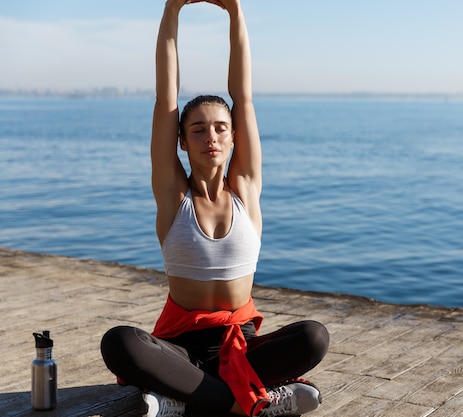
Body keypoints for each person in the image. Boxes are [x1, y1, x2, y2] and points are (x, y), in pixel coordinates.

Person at [100, 1, 330, 416]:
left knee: (313, 337)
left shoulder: (246, 190)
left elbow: (243, 95)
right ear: (182, 141)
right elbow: (164, 97)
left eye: (221, 127)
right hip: (178, 347)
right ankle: (247, 400)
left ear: (233, 137)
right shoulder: (174, 195)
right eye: (198, 129)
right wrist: (172, 10)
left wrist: (236, 12)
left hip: (238, 342)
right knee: (120, 343)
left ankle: (182, 399)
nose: (212, 136)